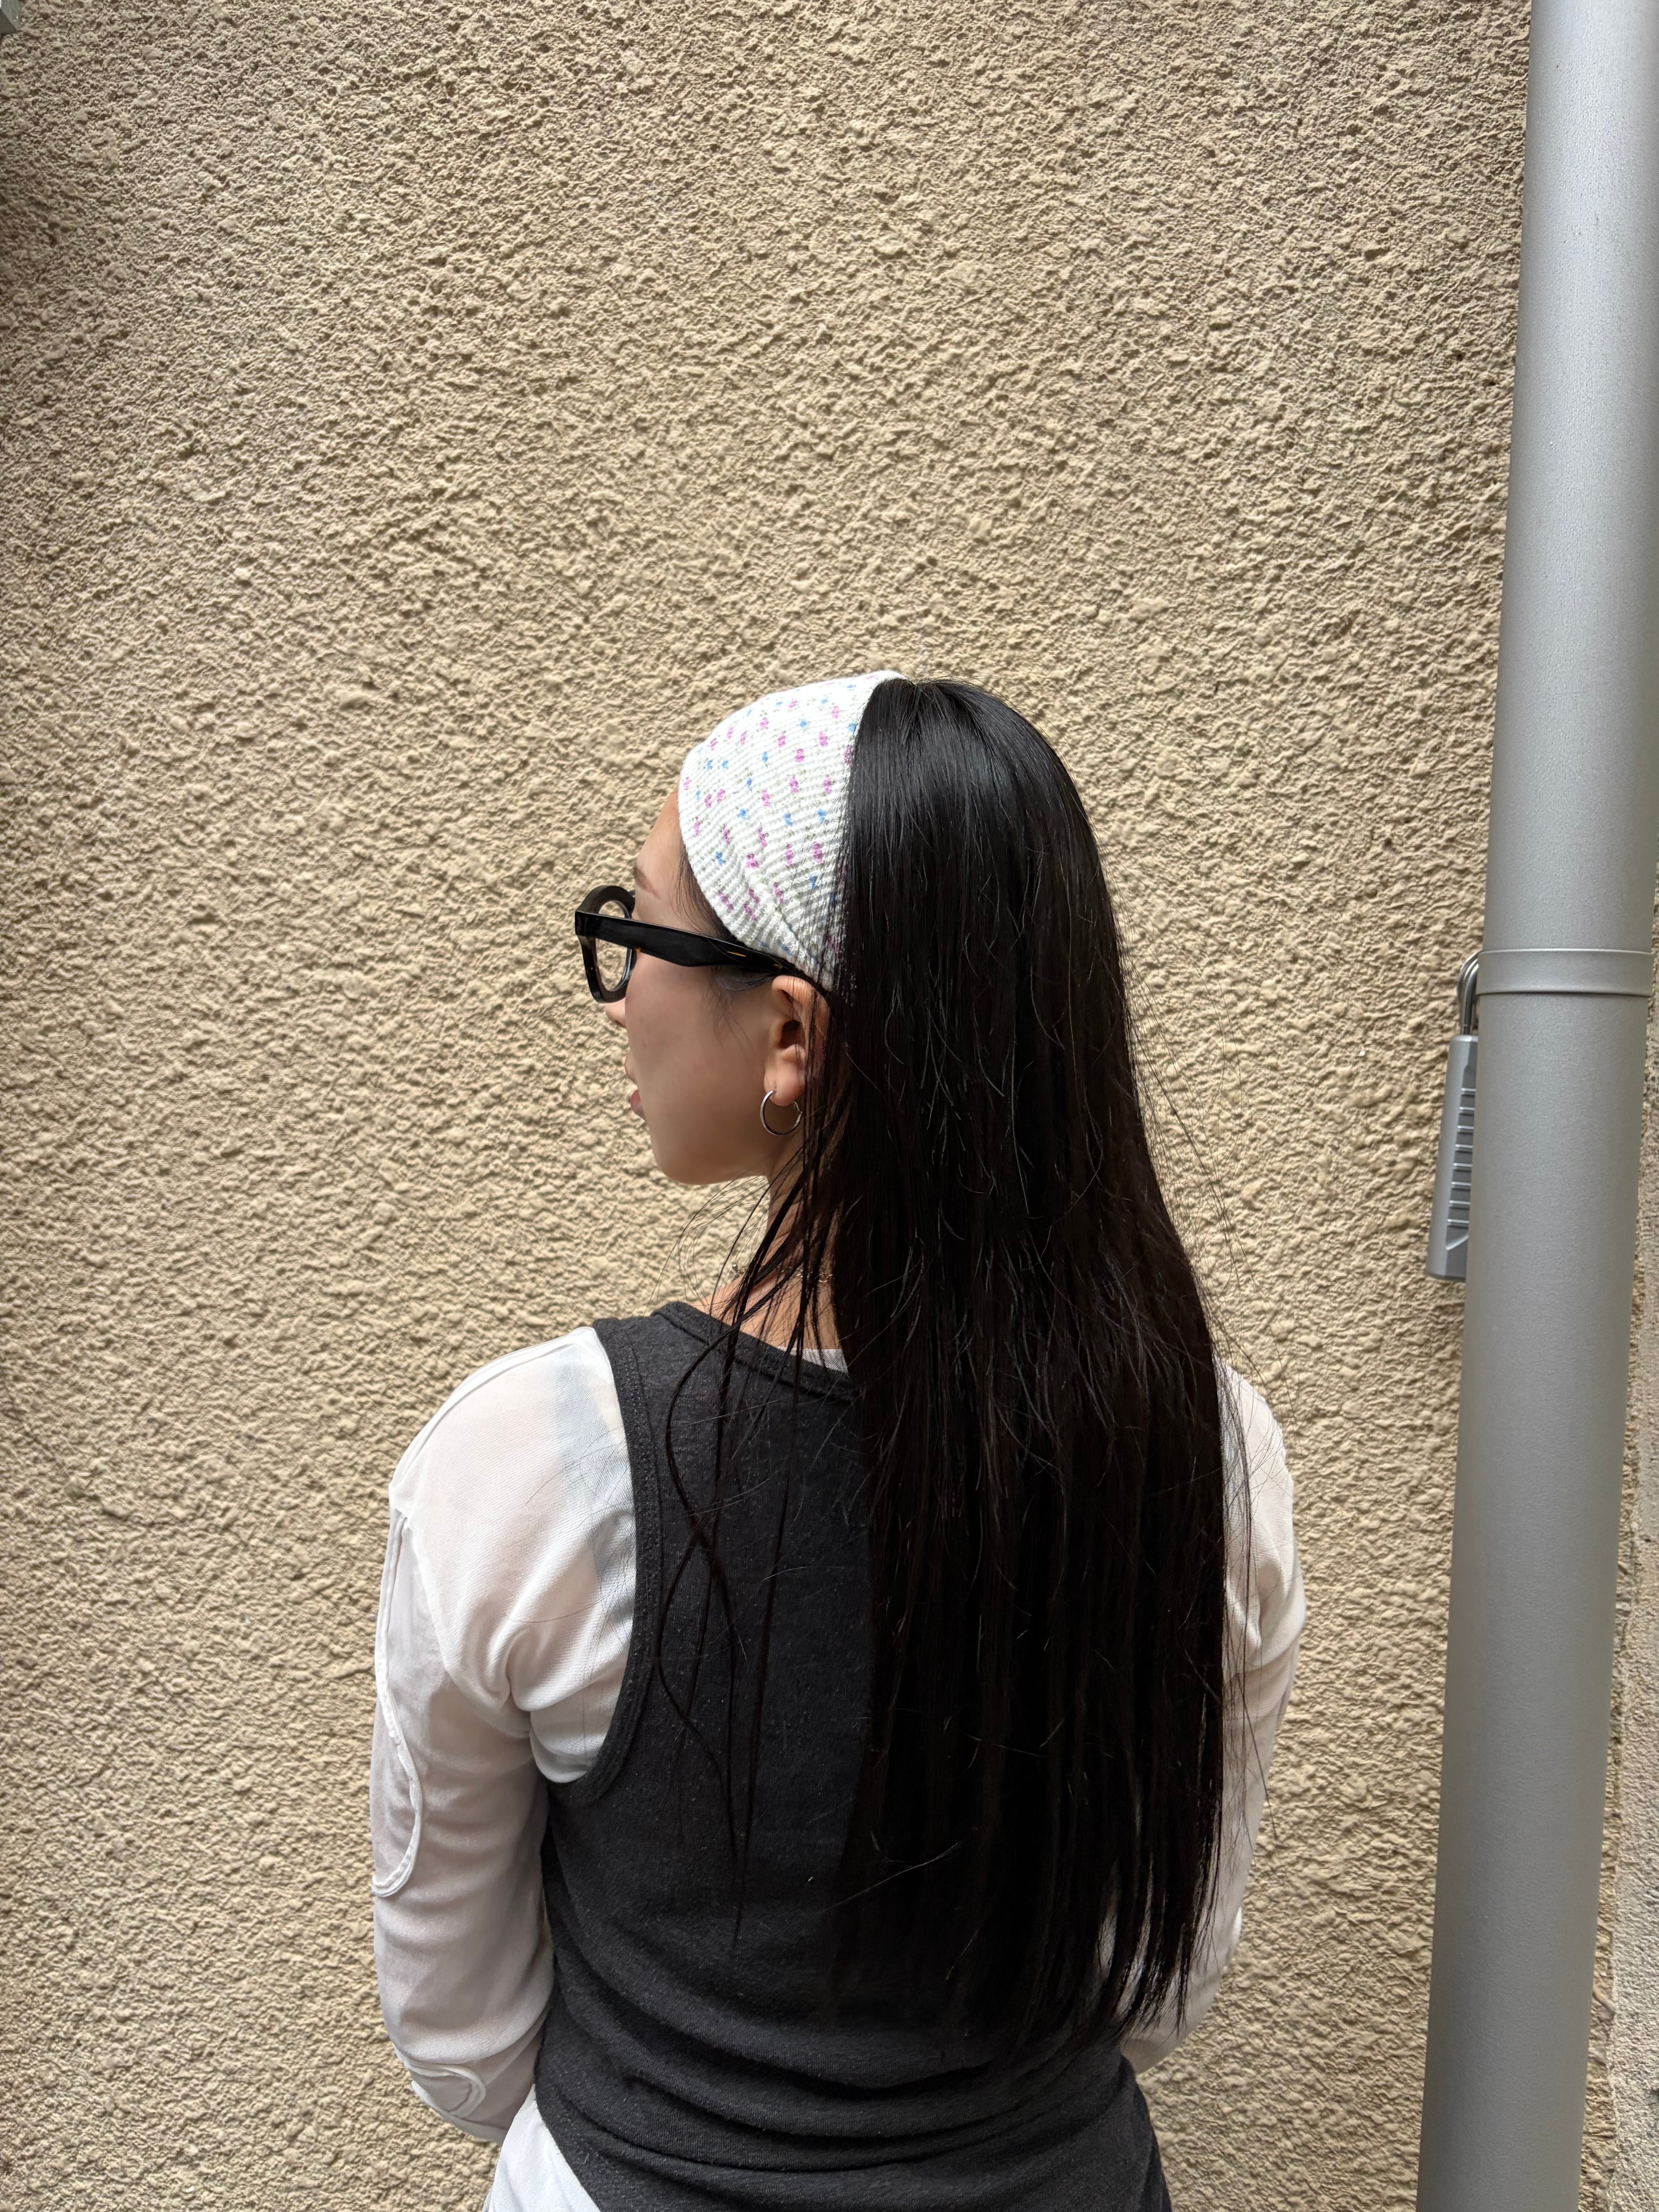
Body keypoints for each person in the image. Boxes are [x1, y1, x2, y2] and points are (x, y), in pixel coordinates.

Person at [370, 672, 1305, 2211]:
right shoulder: (1206, 1457)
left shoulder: (536, 1463)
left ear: (790, 1032)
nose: (620, 993)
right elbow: (1157, 1985)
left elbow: (459, 2033)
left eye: (642, 934)